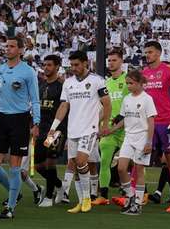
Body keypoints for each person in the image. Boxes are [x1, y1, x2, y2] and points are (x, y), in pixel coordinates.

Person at [49, 50, 111, 215]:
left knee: (81, 161)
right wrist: (53, 127)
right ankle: (82, 200)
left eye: (77, 65)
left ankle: (87, 199)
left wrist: (104, 125)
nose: (74, 68)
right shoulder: (68, 83)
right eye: (72, 65)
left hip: (89, 129)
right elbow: (64, 106)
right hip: (73, 129)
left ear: (85, 63)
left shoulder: (97, 81)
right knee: (76, 165)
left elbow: (107, 104)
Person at [0, 35, 40, 219]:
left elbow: (35, 99)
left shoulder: (27, 72)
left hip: (20, 120)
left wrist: (37, 123)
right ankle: (15, 193)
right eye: (6, 46)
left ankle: (10, 207)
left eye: (11, 46)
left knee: (15, 167)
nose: (7, 49)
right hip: (2, 119)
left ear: (20, 50)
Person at [142, 40, 170, 211]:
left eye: (151, 52)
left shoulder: (169, 70)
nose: (148, 55)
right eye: (146, 52)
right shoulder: (144, 72)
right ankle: (137, 196)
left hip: (167, 122)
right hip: (149, 122)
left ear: (159, 53)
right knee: (139, 159)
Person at [113, 70, 156, 216]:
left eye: (131, 83)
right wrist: (112, 129)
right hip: (129, 137)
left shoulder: (147, 99)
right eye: (127, 83)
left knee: (139, 171)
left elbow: (151, 122)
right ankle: (131, 196)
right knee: (121, 168)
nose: (129, 86)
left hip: (142, 138)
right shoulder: (127, 99)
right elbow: (124, 119)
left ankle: (137, 204)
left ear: (139, 83)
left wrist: (149, 142)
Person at [96, 50, 128, 205]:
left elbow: (131, 107)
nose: (111, 63)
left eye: (114, 60)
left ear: (121, 61)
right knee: (104, 161)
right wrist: (96, 123)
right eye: (109, 60)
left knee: (134, 163)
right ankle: (103, 195)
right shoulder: (106, 83)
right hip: (109, 130)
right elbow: (104, 107)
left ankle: (141, 192)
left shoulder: (128, 81)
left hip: (128, 129)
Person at [35, 54, 65, 207]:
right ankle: (59, 186)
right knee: (38, 166)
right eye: (44, 65)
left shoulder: (62, 86)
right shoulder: (40, 84)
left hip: (56, 130)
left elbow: (65, 108)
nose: (46, 68)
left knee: (50, 162)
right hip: (41, 129)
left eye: (49, 65)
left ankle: (48, 197)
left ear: (57, 67)